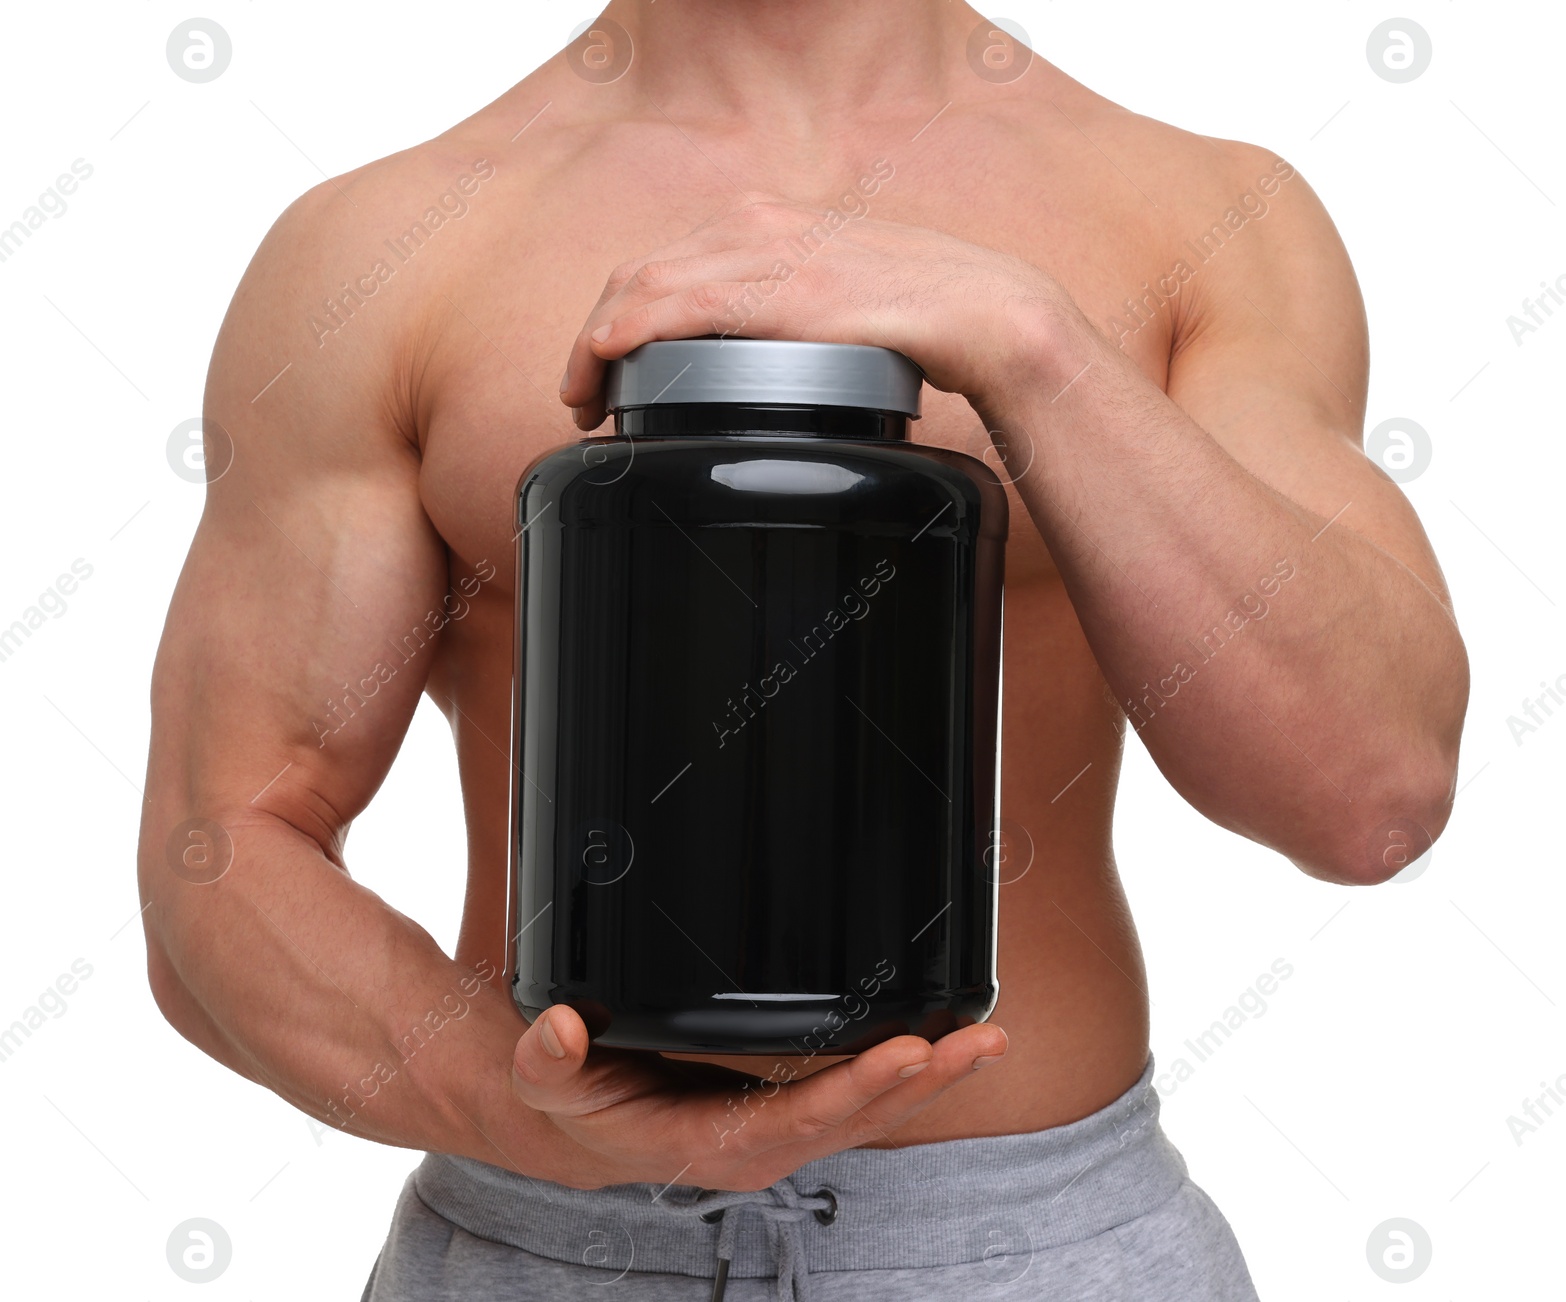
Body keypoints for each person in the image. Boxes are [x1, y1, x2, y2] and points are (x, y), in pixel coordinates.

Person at [137, 3, 1469, 1298]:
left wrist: (1033, 346)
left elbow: (1369, 797)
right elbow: (221, 858)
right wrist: (517, 1106)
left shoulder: (1206, 220)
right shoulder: (379, 250)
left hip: (1028, 1253)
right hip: (545, 1243)